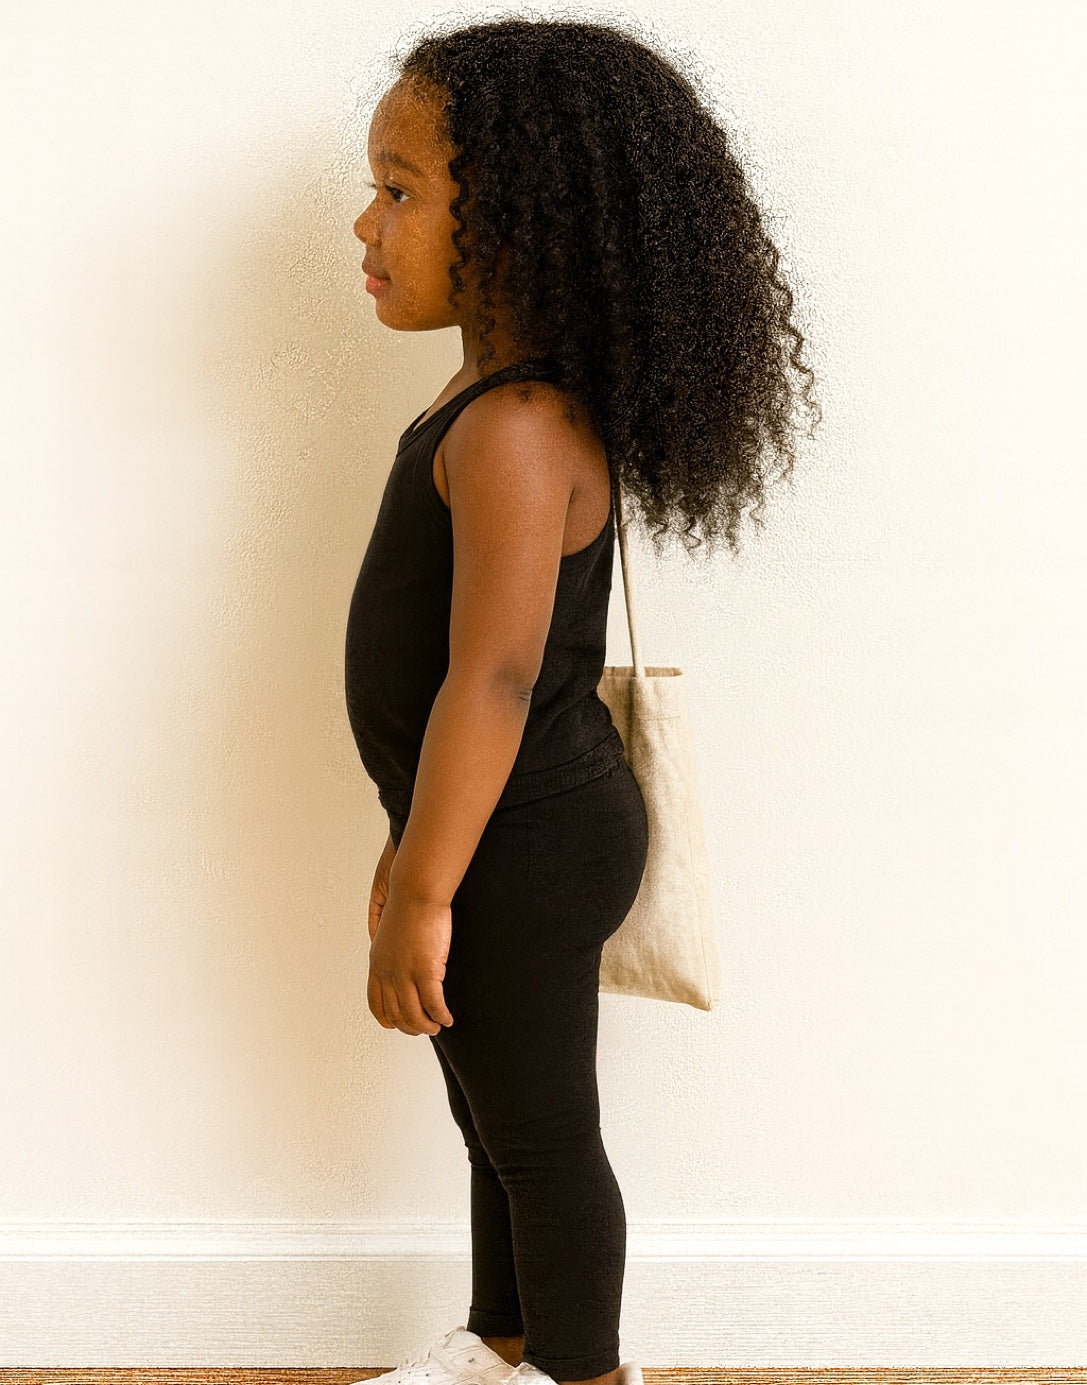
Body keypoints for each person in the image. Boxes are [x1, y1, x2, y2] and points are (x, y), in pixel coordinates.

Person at [343, 17, 820, 1385]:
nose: (364, 219)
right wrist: (411, 836)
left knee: (541, 1132)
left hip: (530, 840)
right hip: (497, 823)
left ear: (525, 222)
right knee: (498, 1113)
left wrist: (434, 885)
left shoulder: (515, 427)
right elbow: (463, 680)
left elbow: (496, 676)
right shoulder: (488, 399)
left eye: (402, 187)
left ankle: (587, 1376)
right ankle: (504, 1345)